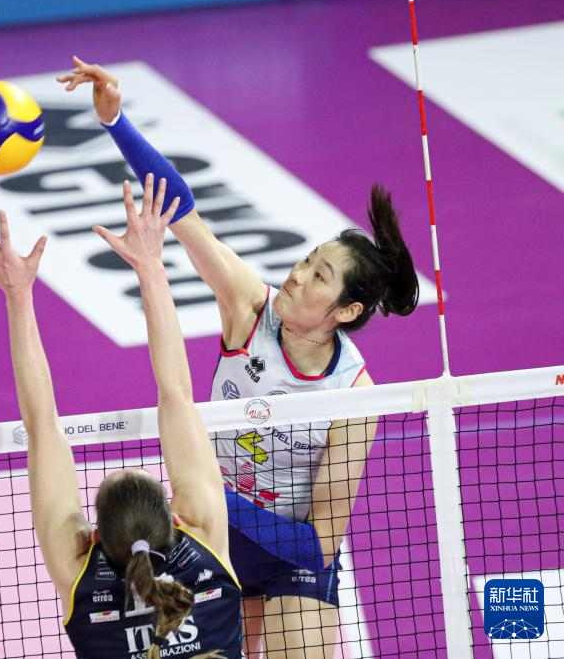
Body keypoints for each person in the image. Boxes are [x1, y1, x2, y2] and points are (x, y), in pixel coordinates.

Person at [58, 57, 420, 659]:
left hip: (284, 560)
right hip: (207, 539)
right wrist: (116, 121)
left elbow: (320, 544)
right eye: (306, 260)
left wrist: (215, 501)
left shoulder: (356, 394)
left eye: (319, 276)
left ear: (347, 310)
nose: (297, 275)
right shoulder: (249, 307)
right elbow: (183, 212)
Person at [0, 175, 242, 659]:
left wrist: (18, 296)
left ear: (93, 537)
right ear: (177, 519)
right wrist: (151, 266)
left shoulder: (80, 577)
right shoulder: (206, 546)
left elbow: (43, 427)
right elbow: (176, 394)